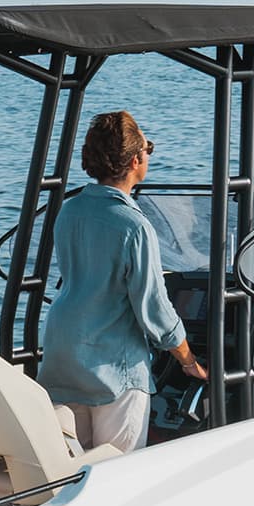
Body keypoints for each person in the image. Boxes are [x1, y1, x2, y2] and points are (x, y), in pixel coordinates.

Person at [39, 111, 207, 455]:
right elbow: (154, 309)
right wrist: (188, 360)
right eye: (148, 148)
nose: (148, 155)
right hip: (113, 366)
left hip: (63, 353)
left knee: (73, 468)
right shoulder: (134, 226)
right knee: (118, 469)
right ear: (134, 161)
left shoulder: (70, 210)